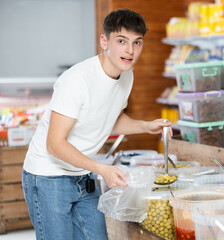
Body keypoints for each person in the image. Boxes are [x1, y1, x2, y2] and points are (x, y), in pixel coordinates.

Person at [22, 8, 171, 240]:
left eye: (137, 42)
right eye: (121, 41)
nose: (130, 51)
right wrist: (101, 169)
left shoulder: (126, 75)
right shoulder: (77, 80)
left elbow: (110, 118)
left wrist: (145, 125)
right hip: (47, 177)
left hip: (83, 175)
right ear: (104, 41)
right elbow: (55, 145)